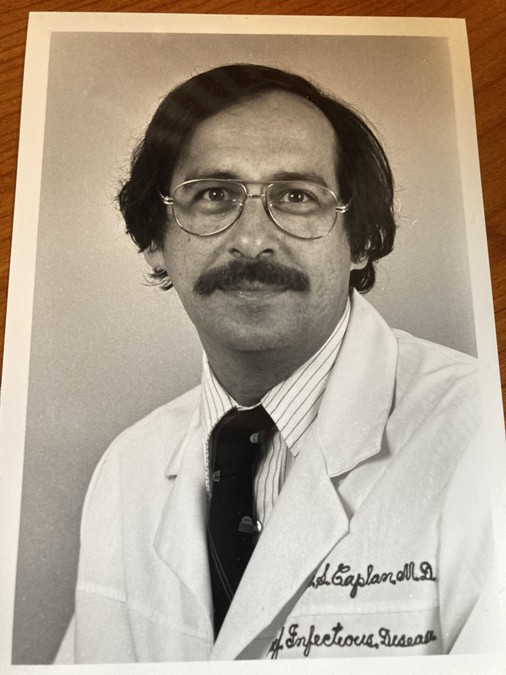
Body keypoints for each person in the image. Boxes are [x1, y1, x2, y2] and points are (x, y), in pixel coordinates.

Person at [56, 64, 496, 662]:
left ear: (360, 239)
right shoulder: (128, 468)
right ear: (156, 240)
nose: (252, 240)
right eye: (214, 195)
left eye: (296, 197)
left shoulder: (480, 434)